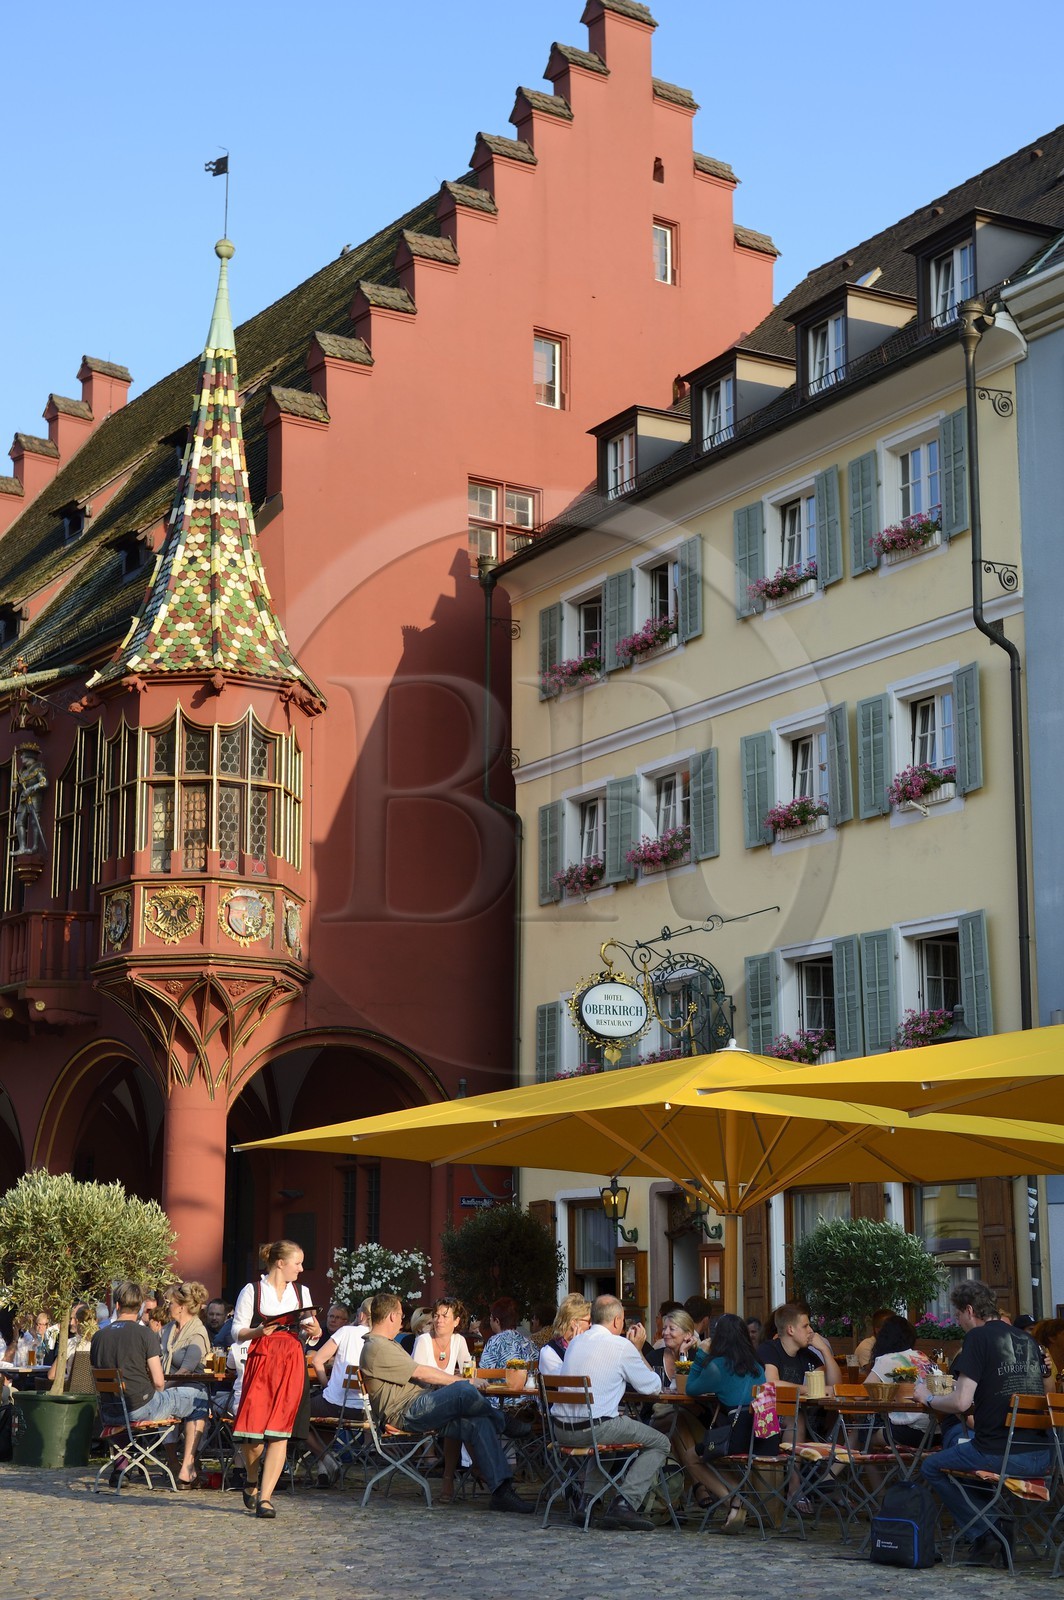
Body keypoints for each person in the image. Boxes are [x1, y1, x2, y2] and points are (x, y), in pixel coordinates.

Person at [917, 1279, 1054, 1567]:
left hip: (998, 1452)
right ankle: (992, 1527)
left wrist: (927, 1400)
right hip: (1043, 1455)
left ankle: (988, 1530)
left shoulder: (978, 1338)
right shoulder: (1026, 1339)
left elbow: (960, 1403)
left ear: (969, 1310)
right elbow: (1047, 1390)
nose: (958, 1321)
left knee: (932, 1466)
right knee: (964, 1460)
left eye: (957, 1315)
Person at [358, 1292, 531, 1515]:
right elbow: (421, 1371)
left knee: (479, 1423)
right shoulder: (378, 1347)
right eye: (401, 1315)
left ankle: (501, 1493)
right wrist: (462, 1380)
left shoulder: (385, 1344)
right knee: (462, 1389)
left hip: (417, 1406)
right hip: (406, 1412)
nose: (402, 1320)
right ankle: (503, 1420)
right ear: (391, 1316)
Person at [553, 1294, 668, 1531]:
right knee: (660, 1442)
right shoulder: (621, 1346)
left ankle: (587, 1503)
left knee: (607, 1436)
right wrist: (636, 1349)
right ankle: (625, 1503)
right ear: (617, 1321)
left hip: (560, 1430)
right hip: (594, 1428)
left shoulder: (575, 1342)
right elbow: (653, 1387)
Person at [231, 1238, 322, 1519]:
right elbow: (237, 1331)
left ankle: (266, 1498)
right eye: (298, 1262)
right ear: (281, 1263)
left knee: (279, 1433)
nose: (301, 1268)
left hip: (291, 1361)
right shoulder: (252, 1290)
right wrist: (259, 1332)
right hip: (262, 1362)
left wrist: (315, 1329)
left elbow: (310, 1331)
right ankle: (251, 1479)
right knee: (254, 1436)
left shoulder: (301, 1292)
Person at [89, 1279, 208, 1487]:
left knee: (128, 1409)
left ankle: (121, 1465)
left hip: (108, 1411)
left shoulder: (99, 1336)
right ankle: (188, 1466)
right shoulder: (145, 1334)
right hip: (141, 1408)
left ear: (117, 1305)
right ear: (141, 1307)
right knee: (200, 1397)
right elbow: (160, 1382)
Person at [685, 1311, 773, 1531]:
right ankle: (737, 1496)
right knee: (718, 1455)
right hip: (764, 1437)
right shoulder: (758, 1366)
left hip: (737, 1436)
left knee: (692, 1456)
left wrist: (701, 1355)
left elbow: (691, 1388)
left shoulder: (718, 1366)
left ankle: (732, 1498)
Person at [411, 1296, 474, 1502]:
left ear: (456, 1322)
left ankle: (451, 1475)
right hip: (422, 1402)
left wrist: (459, 1380)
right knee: (459, 1413)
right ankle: (475, 1466)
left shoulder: (459, 1341)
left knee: (459, 1416)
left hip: (447, 1404)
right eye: (436, 1315)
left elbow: (467, 1373)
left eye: (445, 1316)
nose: (439, 1320)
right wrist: (453, 1381)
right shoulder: (423, 1341)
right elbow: (419, 1376)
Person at [309, 1297, 372, 1487]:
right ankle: (323, 1473)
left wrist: (326, 1384)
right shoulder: (384, 1338)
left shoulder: (345, 1332)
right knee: (321, 1418)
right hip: (367, 1411)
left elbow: (317, 1360)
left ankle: (327, 1458)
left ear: (360, 1315)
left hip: (337, 1404)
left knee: (294, 1416)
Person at [867, 1314, 935, 1446]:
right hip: (935, 1431)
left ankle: (837, 1464)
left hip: (909, 1431)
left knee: (863, 1434)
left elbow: (864, 1391)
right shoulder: (922, 1356)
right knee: (865, 1433)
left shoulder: (888, 1359)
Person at [160, 1282, 211, 1375]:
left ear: (181, 1308)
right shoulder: (166, 1329)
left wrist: (162, 1388)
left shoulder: (197, 1333)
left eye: (171, 1303)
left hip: (189, 1385)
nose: (168, 1306)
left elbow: (186, 1371)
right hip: (163, 1383)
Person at [538, 1294, 591, 1377]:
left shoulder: (588, 1345)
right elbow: (567, 1383)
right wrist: (576, 1349)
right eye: (588, 1321)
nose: (591, 1325)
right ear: (574, 1323)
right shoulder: (549, 1352)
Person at [479, 1297, 538, 1369]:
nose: (490, 1321)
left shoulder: (494, 1342)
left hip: (504, 1380)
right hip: (528, 1380)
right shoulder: (529, 1343)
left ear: (497, 1321)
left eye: (491, 1318)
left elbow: (483, 1372)